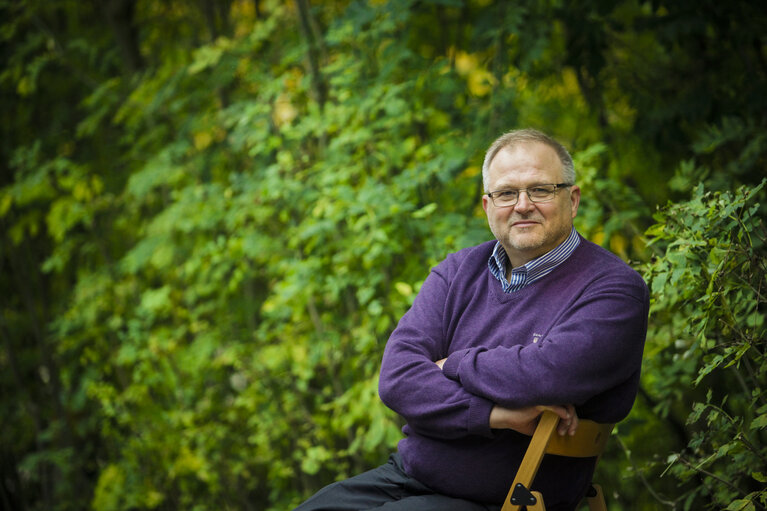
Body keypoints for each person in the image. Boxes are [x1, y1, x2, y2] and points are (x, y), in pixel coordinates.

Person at [294, 128, 649, 511]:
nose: (523, 204)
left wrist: (455, 362)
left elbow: (548, 373)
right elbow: (397, 377)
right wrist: (496, 414)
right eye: (506, 193)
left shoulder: (614, 288)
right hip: (409, 477)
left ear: (573, 199)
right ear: (487, 205)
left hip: (512, 497)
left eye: (541, 190)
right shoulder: (458, 271)